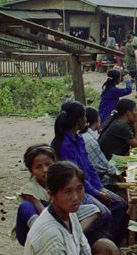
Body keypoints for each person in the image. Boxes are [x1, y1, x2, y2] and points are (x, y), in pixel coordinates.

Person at [52, 101, 127, 246]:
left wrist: (99, 188)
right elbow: (76, 176)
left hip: (87, 185)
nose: (86, 120)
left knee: (120, 204)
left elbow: (89, 167)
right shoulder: (64, 144)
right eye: (85, 117)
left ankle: (111, 243)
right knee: (105, 213)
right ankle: (90, 244)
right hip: (75, 189)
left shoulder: (79, 138)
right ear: (79, 120)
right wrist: (97, 193)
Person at [14, 145, 100, 246]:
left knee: (94, 210)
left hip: (63, 215)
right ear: (31, 171)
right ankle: (46, 237)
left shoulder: (60, 181)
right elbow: (44, 213)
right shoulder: (30, 189)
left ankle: (73, 236)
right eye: (38, 167)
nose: (45, 170)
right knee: (25, 206)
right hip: (43, 222)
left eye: (48, 164)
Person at [83, 108, 119, 186]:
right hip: (95, 181)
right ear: (96, 119)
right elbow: (104, 166)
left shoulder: (83, 134)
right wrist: (120, 177)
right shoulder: (90, 140)